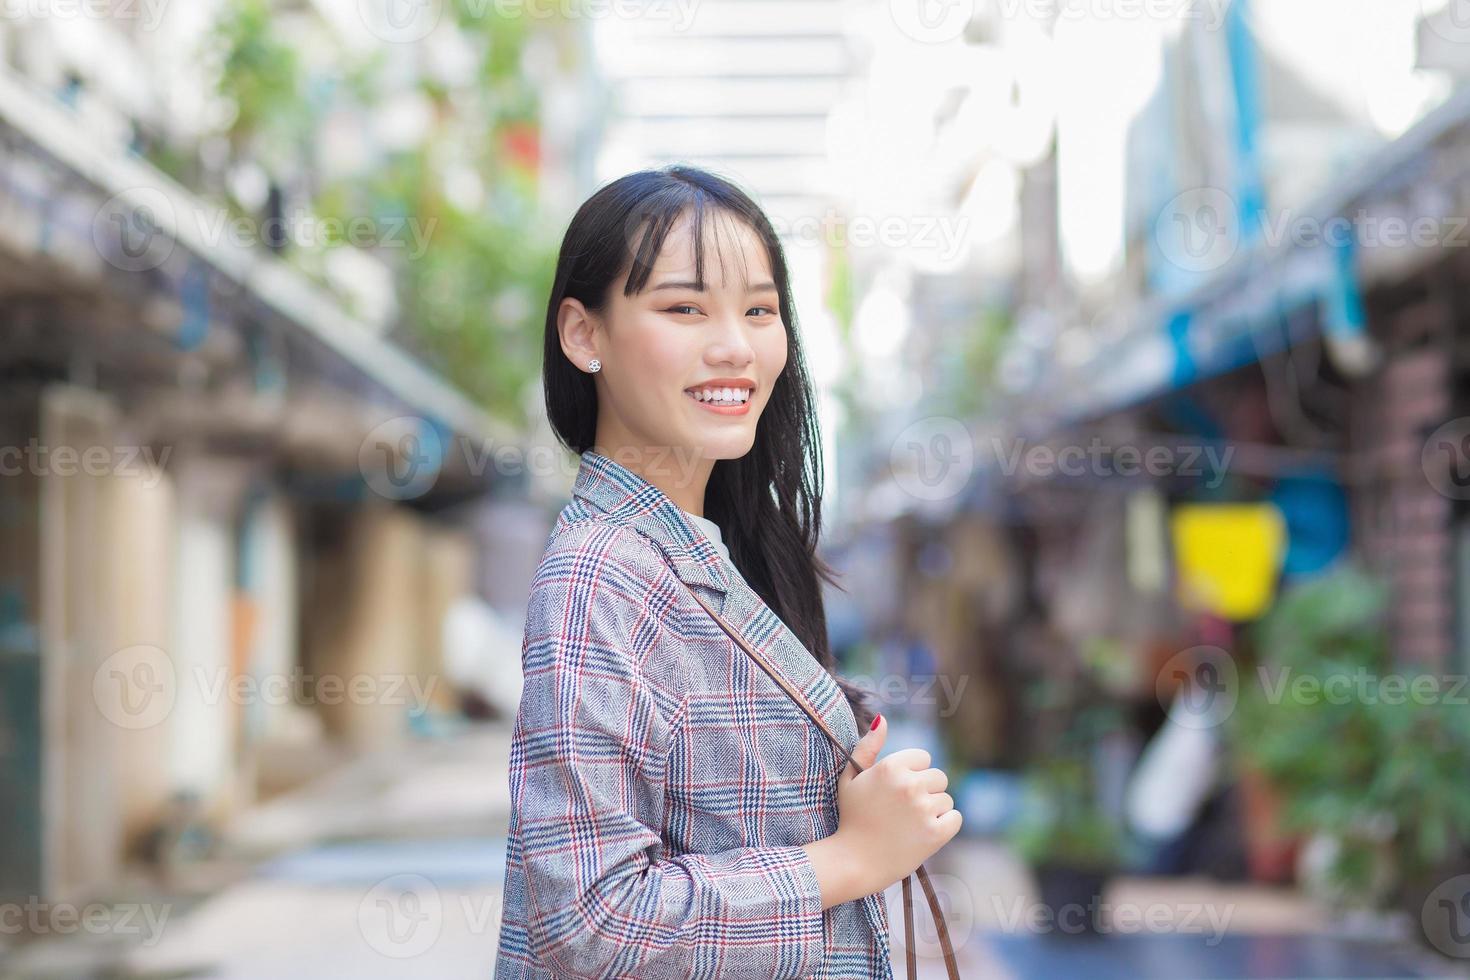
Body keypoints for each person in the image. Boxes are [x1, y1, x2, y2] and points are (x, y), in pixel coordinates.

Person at [492, 166, 962, 979]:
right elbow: (588, 921)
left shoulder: (708, 553)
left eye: (758, 311)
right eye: (684, 308)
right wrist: (848, 859)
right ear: (583, 334)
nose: (736, 347)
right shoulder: (601, 576)